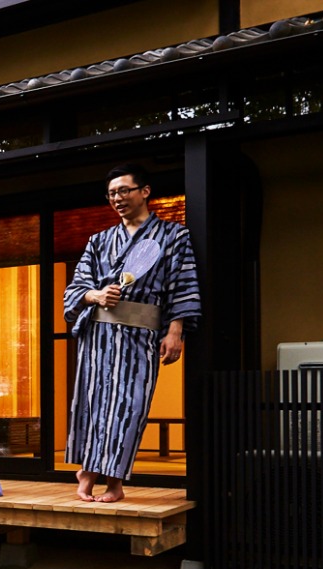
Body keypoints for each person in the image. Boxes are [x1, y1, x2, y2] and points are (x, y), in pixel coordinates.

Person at [63, 163, 201, 502]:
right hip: (100, 333)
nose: (118, 198)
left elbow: (181, 284)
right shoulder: (99, 240)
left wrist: (175, 331)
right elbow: (77, 286)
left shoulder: (173, 236)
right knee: (95, 404)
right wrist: (96, 294)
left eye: (124, 190)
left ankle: (113, 479)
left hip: (141, 335)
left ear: (145, 191)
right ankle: (87, 473)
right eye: (112, 193)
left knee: (130, 406)